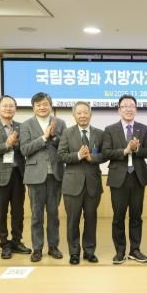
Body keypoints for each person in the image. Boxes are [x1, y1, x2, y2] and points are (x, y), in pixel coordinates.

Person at [102, 95, 147, 264]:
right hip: (118, 178)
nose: (129, 109)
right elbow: (106, 152)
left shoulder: (144, 129)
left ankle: (135, 250)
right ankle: (120, 250)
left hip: (137, 177)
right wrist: (125, 151)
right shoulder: (110, 129)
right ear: (119, 109)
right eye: (125, 106)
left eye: (132, 106)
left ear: (136, 109)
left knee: (136, 216)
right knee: (118, 216)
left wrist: (136, 149)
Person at [0, 95, 31, 259]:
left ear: (15, 108)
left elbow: (26, 149)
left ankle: (17, 241)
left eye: (11, 106)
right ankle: (4, 244)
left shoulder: (22, 127)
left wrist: (19, 145)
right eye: (5, 106)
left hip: (18, 175)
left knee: (18, 212)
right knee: (0, 213)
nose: (8, 109)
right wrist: (6, 145)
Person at [20, 92, 66, 262]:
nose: (42, 107)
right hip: (35, 175)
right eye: (38, 105)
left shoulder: (60, 123)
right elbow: (24, 149)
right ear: (33, 107)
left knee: (53, 214)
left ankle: (53, 247)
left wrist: (53, 137)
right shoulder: (26, 125)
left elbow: (65, 146)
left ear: (50, 106)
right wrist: (44, 137)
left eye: (45, 104)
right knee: (36, 215)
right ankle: (37, 248)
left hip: (55, 174)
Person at [58, 101, 105, 265]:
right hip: (72, 185)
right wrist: (78, 155)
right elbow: (61, 155)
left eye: (85, 112)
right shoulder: (67, 133)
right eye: (79, 113)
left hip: (93, 184)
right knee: (73, 220)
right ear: (74, 115)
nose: (82, 116)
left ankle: (89, 252)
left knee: (91, 219)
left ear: (90, 114)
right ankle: (74, 253)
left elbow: (105, 155)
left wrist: (93, 157)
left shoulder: (100, 133)